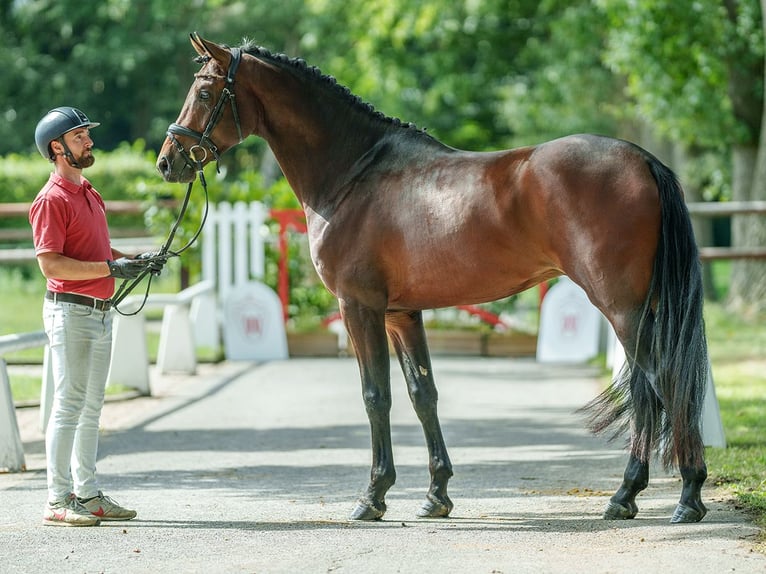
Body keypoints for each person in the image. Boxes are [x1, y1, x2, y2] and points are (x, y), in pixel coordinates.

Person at [30, 107, 166, 527]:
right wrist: (111, 269)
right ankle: (57, 498)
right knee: (69, 406)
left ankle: (86, 493)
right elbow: (52, 265)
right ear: (57, 147)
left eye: (87, 133)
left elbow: (99, 253)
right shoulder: (50, 200)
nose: (88, 140)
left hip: (101, 313)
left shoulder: (88, 191)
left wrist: (135, 260)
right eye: (79, 135)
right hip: (70, 314)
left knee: (91, 408)